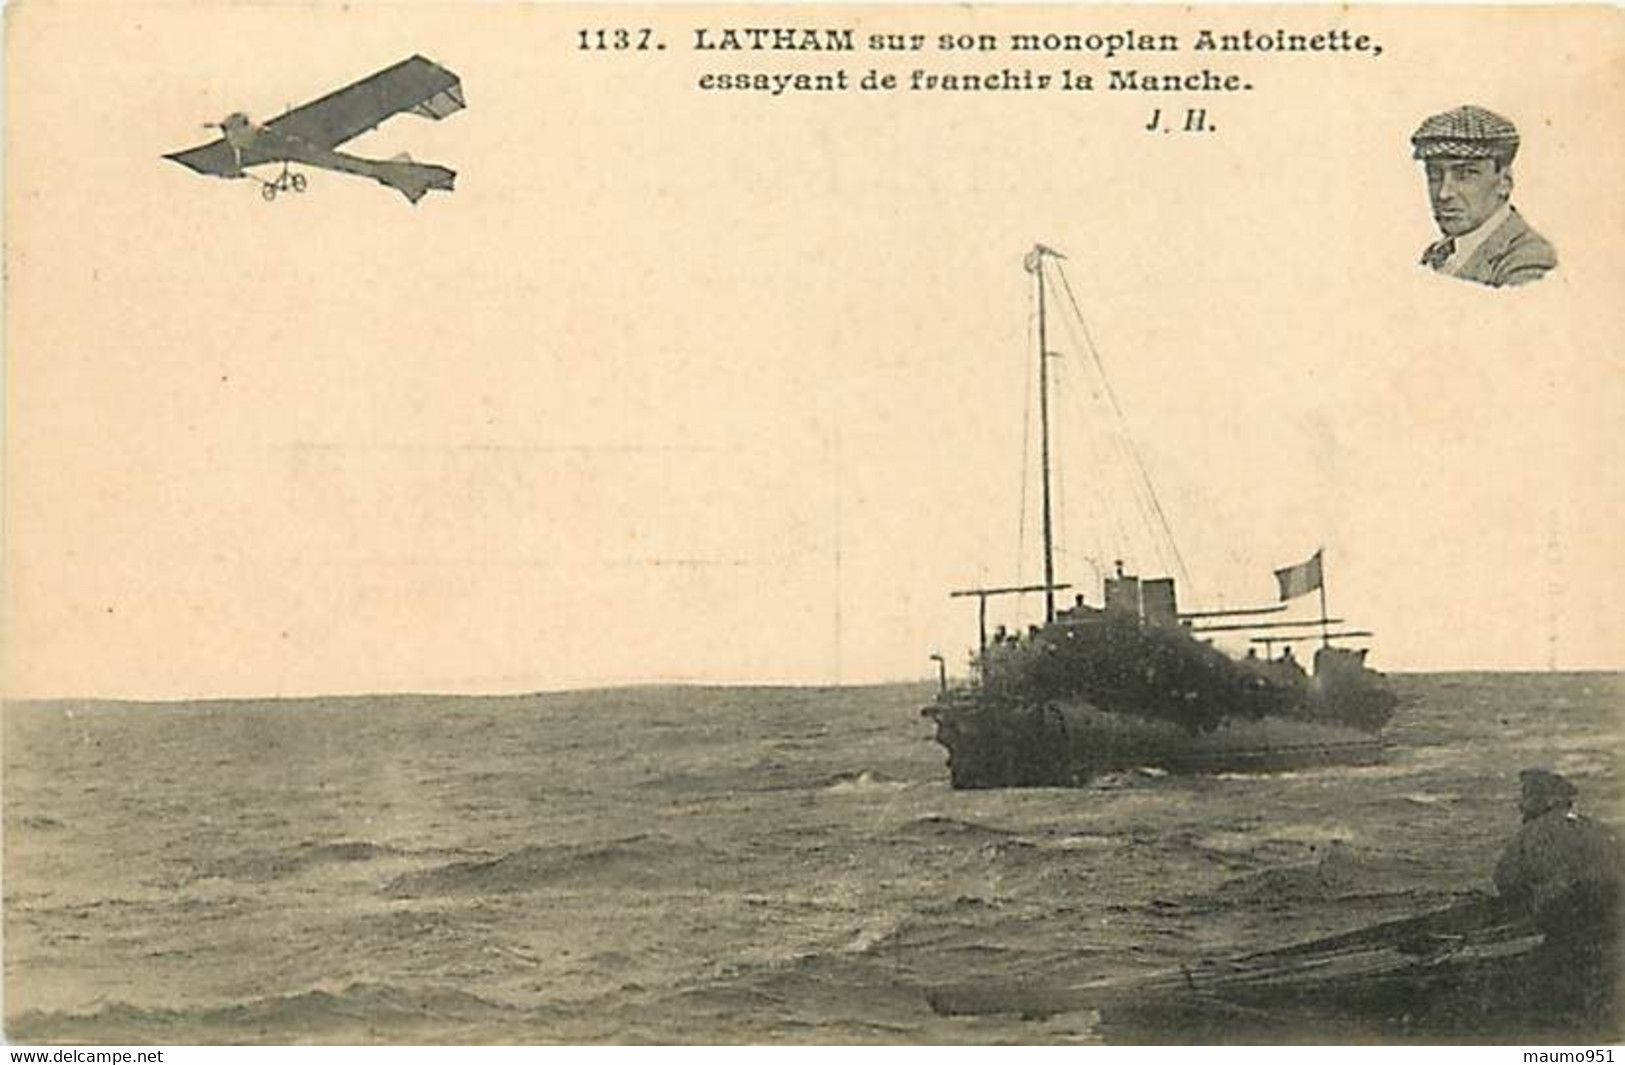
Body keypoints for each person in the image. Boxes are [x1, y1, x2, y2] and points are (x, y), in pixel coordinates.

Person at [1411, 105, 1556, 288]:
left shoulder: (1527, 263)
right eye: (1434, 175)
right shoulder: (1438, 254)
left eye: (1464, 175)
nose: (1443, 193)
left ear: (1505, 181)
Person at [1493, 769, 1622, 944]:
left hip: (1560, 927)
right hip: (1610, 923)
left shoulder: (1533, 832)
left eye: (1525, 796)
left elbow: (1506, 880)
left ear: (1545, 801)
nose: (1520, 805)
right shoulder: (1602, 829)